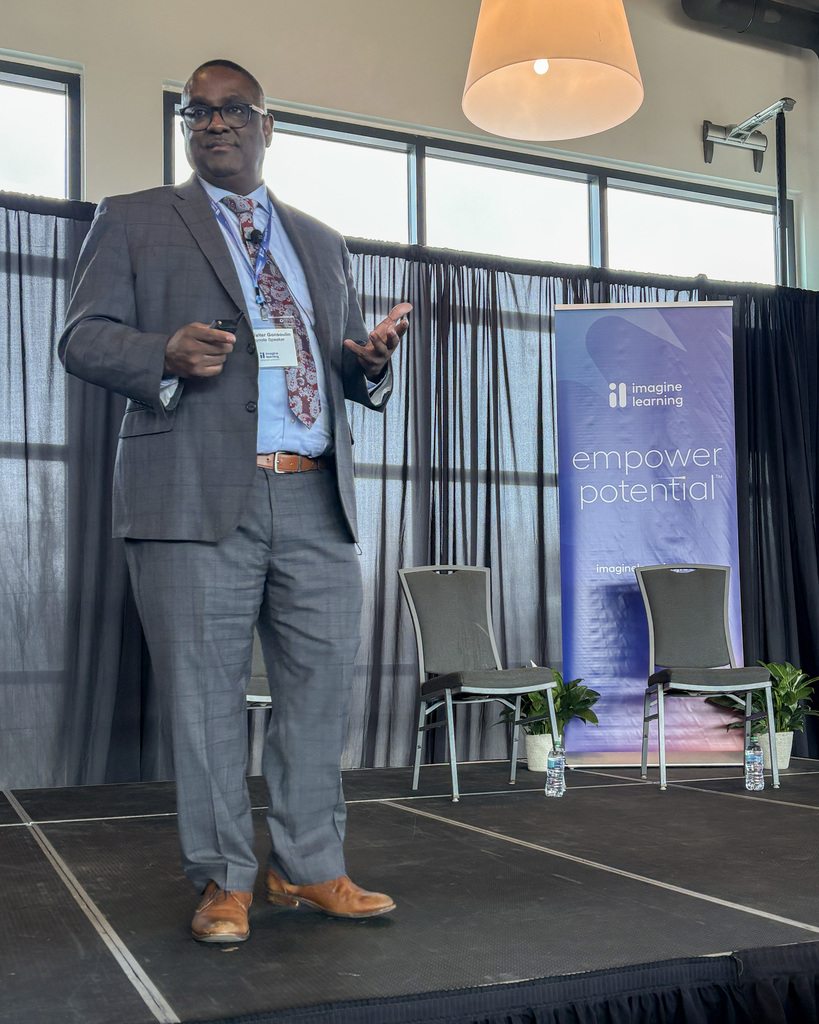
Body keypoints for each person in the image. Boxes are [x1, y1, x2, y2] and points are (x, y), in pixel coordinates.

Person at [59, 59, 410, 943]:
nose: (213, 124)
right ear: (186, 128)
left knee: (318, 694)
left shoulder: (321, 241)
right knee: (204, 702)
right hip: (189, 495)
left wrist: (364, 367)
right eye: (197, 112)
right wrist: (160, 354)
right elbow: (81, 338)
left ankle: (308, 869)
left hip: (313, 499)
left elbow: (324, 363)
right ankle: (223, 880)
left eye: (232, 111)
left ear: (266, 125)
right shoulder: (135, 218)